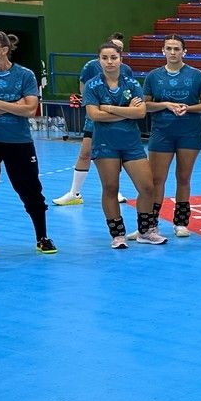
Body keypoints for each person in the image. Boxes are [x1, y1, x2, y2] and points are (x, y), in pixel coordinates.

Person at [83, 41, 164, 248]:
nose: (109, 62)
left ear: (121, 59)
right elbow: (94, 115)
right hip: (105, 144)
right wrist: (127, 112)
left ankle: (145, 231)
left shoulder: (131, 83)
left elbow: (141, 112)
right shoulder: (92, 85)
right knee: (111, 188)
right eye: (105, 58)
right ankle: (117, 235)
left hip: (131, 144)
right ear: (99, 60)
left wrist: (109, 108)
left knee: (147, 187)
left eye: (113, 57)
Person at [0, 29, 56, 257]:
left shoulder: (25, 75)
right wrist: (15, 104)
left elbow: (30, 109)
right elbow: (23, 106)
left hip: (19, 142)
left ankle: (42, 237)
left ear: (3, 50)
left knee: (31, 189)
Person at [142, 34, 201, 239]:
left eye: (177, 49)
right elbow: (145, 105)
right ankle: (151, 224)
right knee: (157, 179)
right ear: (163, 50)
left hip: (189, 133)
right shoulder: (153, 76)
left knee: (183, 177)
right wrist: (165, 104)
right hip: (162, 132)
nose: (172, 52)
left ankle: (181, 222)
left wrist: (188, 108)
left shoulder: (197, 75)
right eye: (169, 48)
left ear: (184, 51)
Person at [54, 32, 133, 206]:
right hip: (95, 118)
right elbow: (83, 88)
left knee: (115, 155)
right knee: (85, 153)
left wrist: (119, 110)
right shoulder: (91, 66)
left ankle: (115, 190)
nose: (115, 53)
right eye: (114, 46)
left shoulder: (126, 70)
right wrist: (94, 104)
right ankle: (74, 193)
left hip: (116, 119)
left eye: (120, 49)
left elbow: (129, 94)